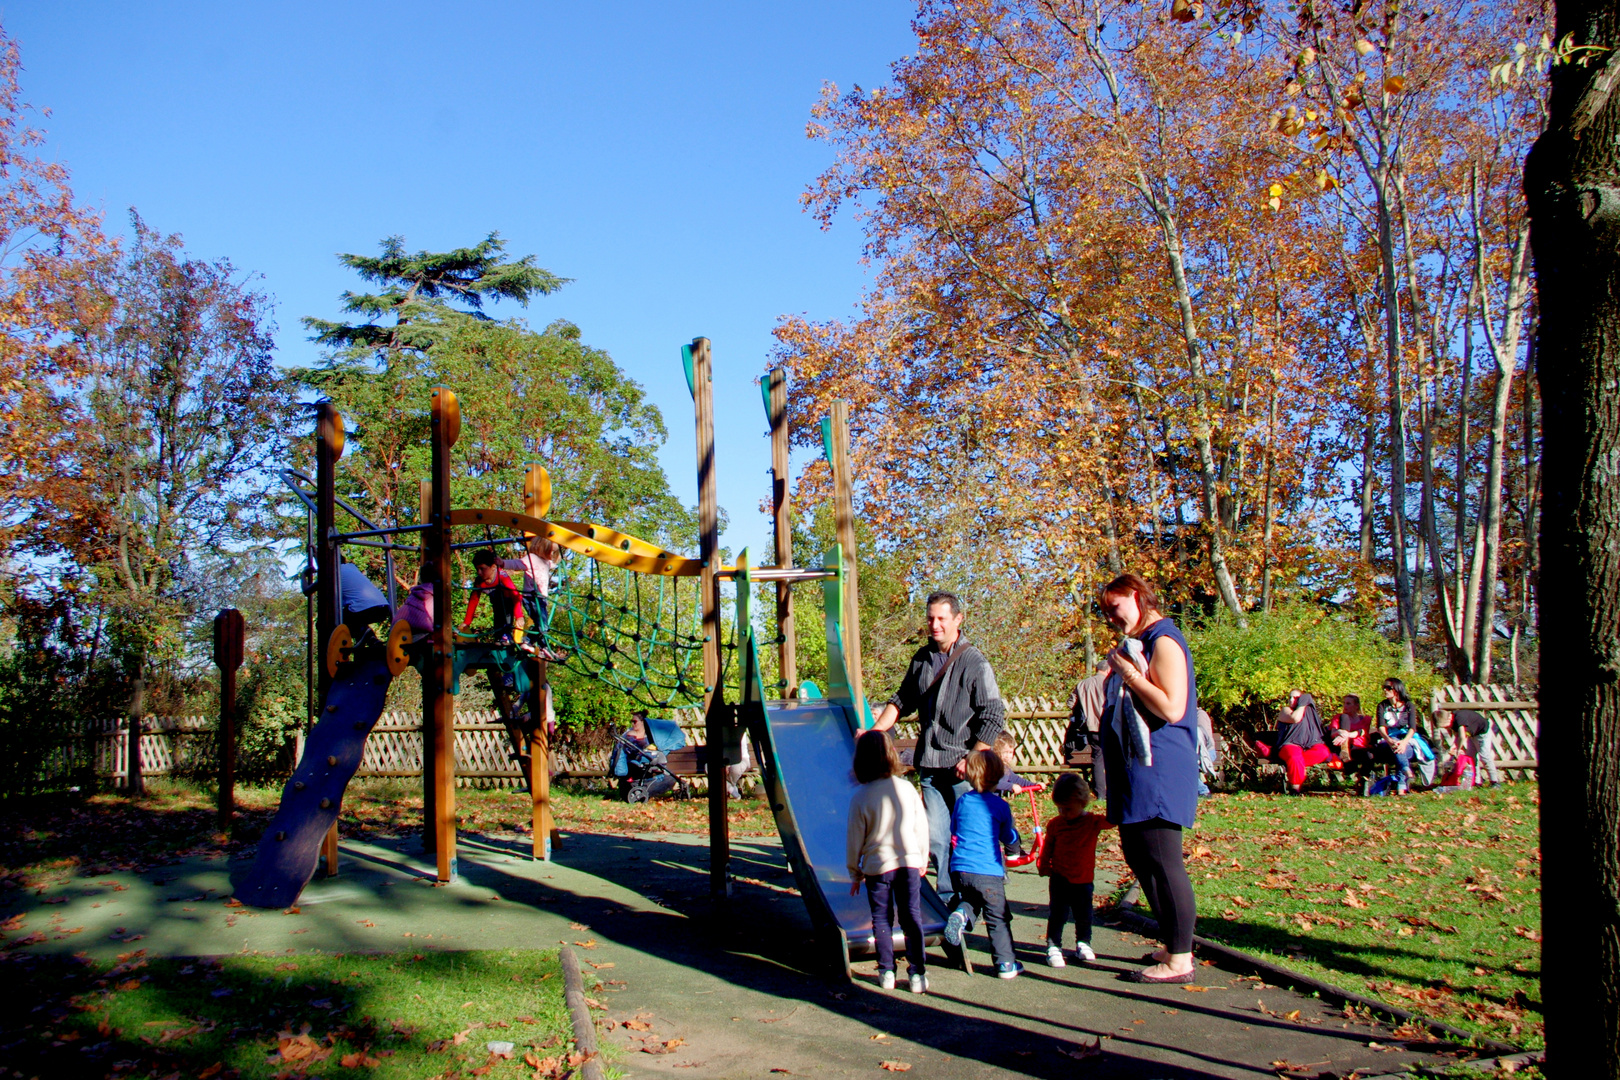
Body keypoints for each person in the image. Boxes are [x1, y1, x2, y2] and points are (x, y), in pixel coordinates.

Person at [1097, 572, 1199, 984]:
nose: (1111, 617)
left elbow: (1172, 709)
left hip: (1159, 767)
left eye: (1115, 606)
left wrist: (1131, 676)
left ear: (1137, 597)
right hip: (1136, 767)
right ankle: (1174, 943)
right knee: (1140, 856)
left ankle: (1180, 960)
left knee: (1161, 858)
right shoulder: (1140, 641)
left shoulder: (1164, 639)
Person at [872, 591, 1007, 900]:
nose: (935, 625)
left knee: (970, 837)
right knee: (936, 838)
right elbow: (902, 699)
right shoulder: (921, 658)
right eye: (930, 618)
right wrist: (875, 732)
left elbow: (993, 714)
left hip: (964, 771)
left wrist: (974, 756)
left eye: (941, 619)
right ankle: (949, 901)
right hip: (931, 766)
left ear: (957, 620)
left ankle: (982, 895)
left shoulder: (975, 662)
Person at [845, 729, 931, 994]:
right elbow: (921, 826)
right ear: (891, 755)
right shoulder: (906, 788)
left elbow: (854, 837)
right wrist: (923, 857)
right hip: (907, 863)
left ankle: (886, 972)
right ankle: (917, 974)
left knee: (881, 919)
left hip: (877, 866)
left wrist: (854, 871)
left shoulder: (860, 797)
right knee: (911, 916)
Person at [942, 749, 1023, 978]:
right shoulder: (999, 806)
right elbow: (1007, 835)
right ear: (998, 777)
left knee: (972, 900)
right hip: (987, 871)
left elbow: (955, 830)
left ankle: (961, 914)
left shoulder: (963, 801)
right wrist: (1015, 846)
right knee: (997, 916)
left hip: (960, 868)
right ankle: (1005, 963)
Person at [1037, 771, 1114, 966]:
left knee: (1084, 914)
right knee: (1058, 913)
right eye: (1060, 808)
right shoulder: (1056, 824)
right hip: (1060, 877)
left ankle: (1083, 943)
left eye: (1068, 809)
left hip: (1083, 878)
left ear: (1082, 802)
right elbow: (1048, 847)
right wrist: (1044, 864)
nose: (1063, 813)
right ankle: (1054, 946)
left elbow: (1113, 820)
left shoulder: (1092, 822)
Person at [1249, 690, 1333, 795]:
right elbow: (1295, 718)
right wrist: (1302, 704)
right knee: (1295, 756)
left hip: (1309, 746)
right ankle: (1295, 788)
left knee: (1323, 752)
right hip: (1290, 744)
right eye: (1290, 697)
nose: (1292, 700)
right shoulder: (1286, 710)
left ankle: (1295, 765)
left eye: (1296, 698)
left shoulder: (1310, 713)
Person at [501, 536, 564, 658]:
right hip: (532, 598)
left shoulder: (546, 561)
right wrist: (503, 563)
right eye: (550, 551)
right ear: (542, 548)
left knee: (541, 624)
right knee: (543, 625)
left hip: (540, 599)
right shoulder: (533, 558)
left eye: (554, 552)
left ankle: (535, 644)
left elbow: (554, 563)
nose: (552, 554)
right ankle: (535, 643)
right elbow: (517, 564)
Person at [1374, 677, 1424, 795]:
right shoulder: (1382, 706)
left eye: (1388, 688)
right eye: (1384, 688)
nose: (1385, 690)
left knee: (1402, 751)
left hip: (1406, 741)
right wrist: (1389, 740)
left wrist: (1404, 742)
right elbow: (1381, 727)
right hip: (1387, 742)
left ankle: (1402, 784)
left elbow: (1412, 727)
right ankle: (1404, 779)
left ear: (1397, 689)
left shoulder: (1408, 705)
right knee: (1398, 749)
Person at [462, 549, 523, 642]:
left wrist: (519, 616)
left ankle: (506, 636)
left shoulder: (502, 576)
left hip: (507, 604)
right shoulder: (479, 581)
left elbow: (515, 595)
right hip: (496, 605)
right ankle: (499, 638)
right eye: (477, 569)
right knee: (497, 624)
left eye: (482, 568)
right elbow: (474, 600)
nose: (479, 572)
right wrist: (466, 622)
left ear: (493, 566)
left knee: (505, 623)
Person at [1442, 708, 1501, 787]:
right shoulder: (1453, 721)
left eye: (1445, 726)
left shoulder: (1459, 718)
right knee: (1471, 757)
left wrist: (1458, 750)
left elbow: (1462, 737)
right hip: (1473, 734)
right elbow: (1458, 736)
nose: (1446, 728)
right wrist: (1454, 746)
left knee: (1484, 756)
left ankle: (1495, 781)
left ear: (1449, 718)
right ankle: (1476, 781)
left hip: (1482, 733)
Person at [1329, 694, 1375, 773]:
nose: (1345, 706)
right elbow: (1333, 733)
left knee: (1369, 756)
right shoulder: (1339, 717)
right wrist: (1339, 732)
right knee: (1344, 717)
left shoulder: (1366, 719)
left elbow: (1363, 732)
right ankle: (1345, 751)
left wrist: (1347, 734)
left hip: (1360, 747)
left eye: (1348, 703)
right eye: (1344, 703)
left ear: (1356, 706)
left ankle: (1363, 778)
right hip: (1345, 747)